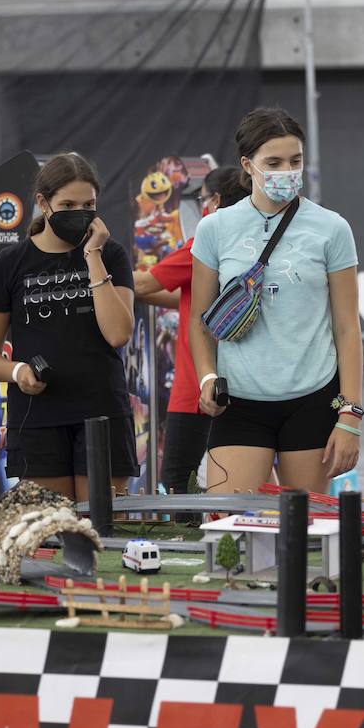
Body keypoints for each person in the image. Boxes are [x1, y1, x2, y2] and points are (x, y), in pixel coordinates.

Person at [188, 107, 362, 495]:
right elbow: (200, 322)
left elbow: (348, 327)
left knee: (306, 534)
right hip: (240, 401)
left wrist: (350, 415)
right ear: (248, 166)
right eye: (274, 162)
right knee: (229, 526)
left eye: (295, 160)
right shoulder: (215, 229)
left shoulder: (332, 228)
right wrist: (207, 377)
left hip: (314, 397)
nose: (287, 170)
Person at [0, 153, 138, 500]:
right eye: (67, 204)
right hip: (37, 418)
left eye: (89, 204)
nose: (79, 212)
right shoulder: (10, 263)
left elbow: (119, 334)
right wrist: (18, 371)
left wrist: (93, 256)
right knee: (50, 532)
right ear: (43, 203)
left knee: (103, 531)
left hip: (102, 413)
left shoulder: (112, 255)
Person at [133, 166, 248, 498]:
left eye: (200, 201)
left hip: (196, 385)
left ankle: (192, 545)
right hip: (242, 381)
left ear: (213, 201)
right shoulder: (249, 239)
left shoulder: (207, 239)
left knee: (177, 479)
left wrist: (95, 269)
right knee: (240, 478)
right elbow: (184, 294)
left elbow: (144, 282)